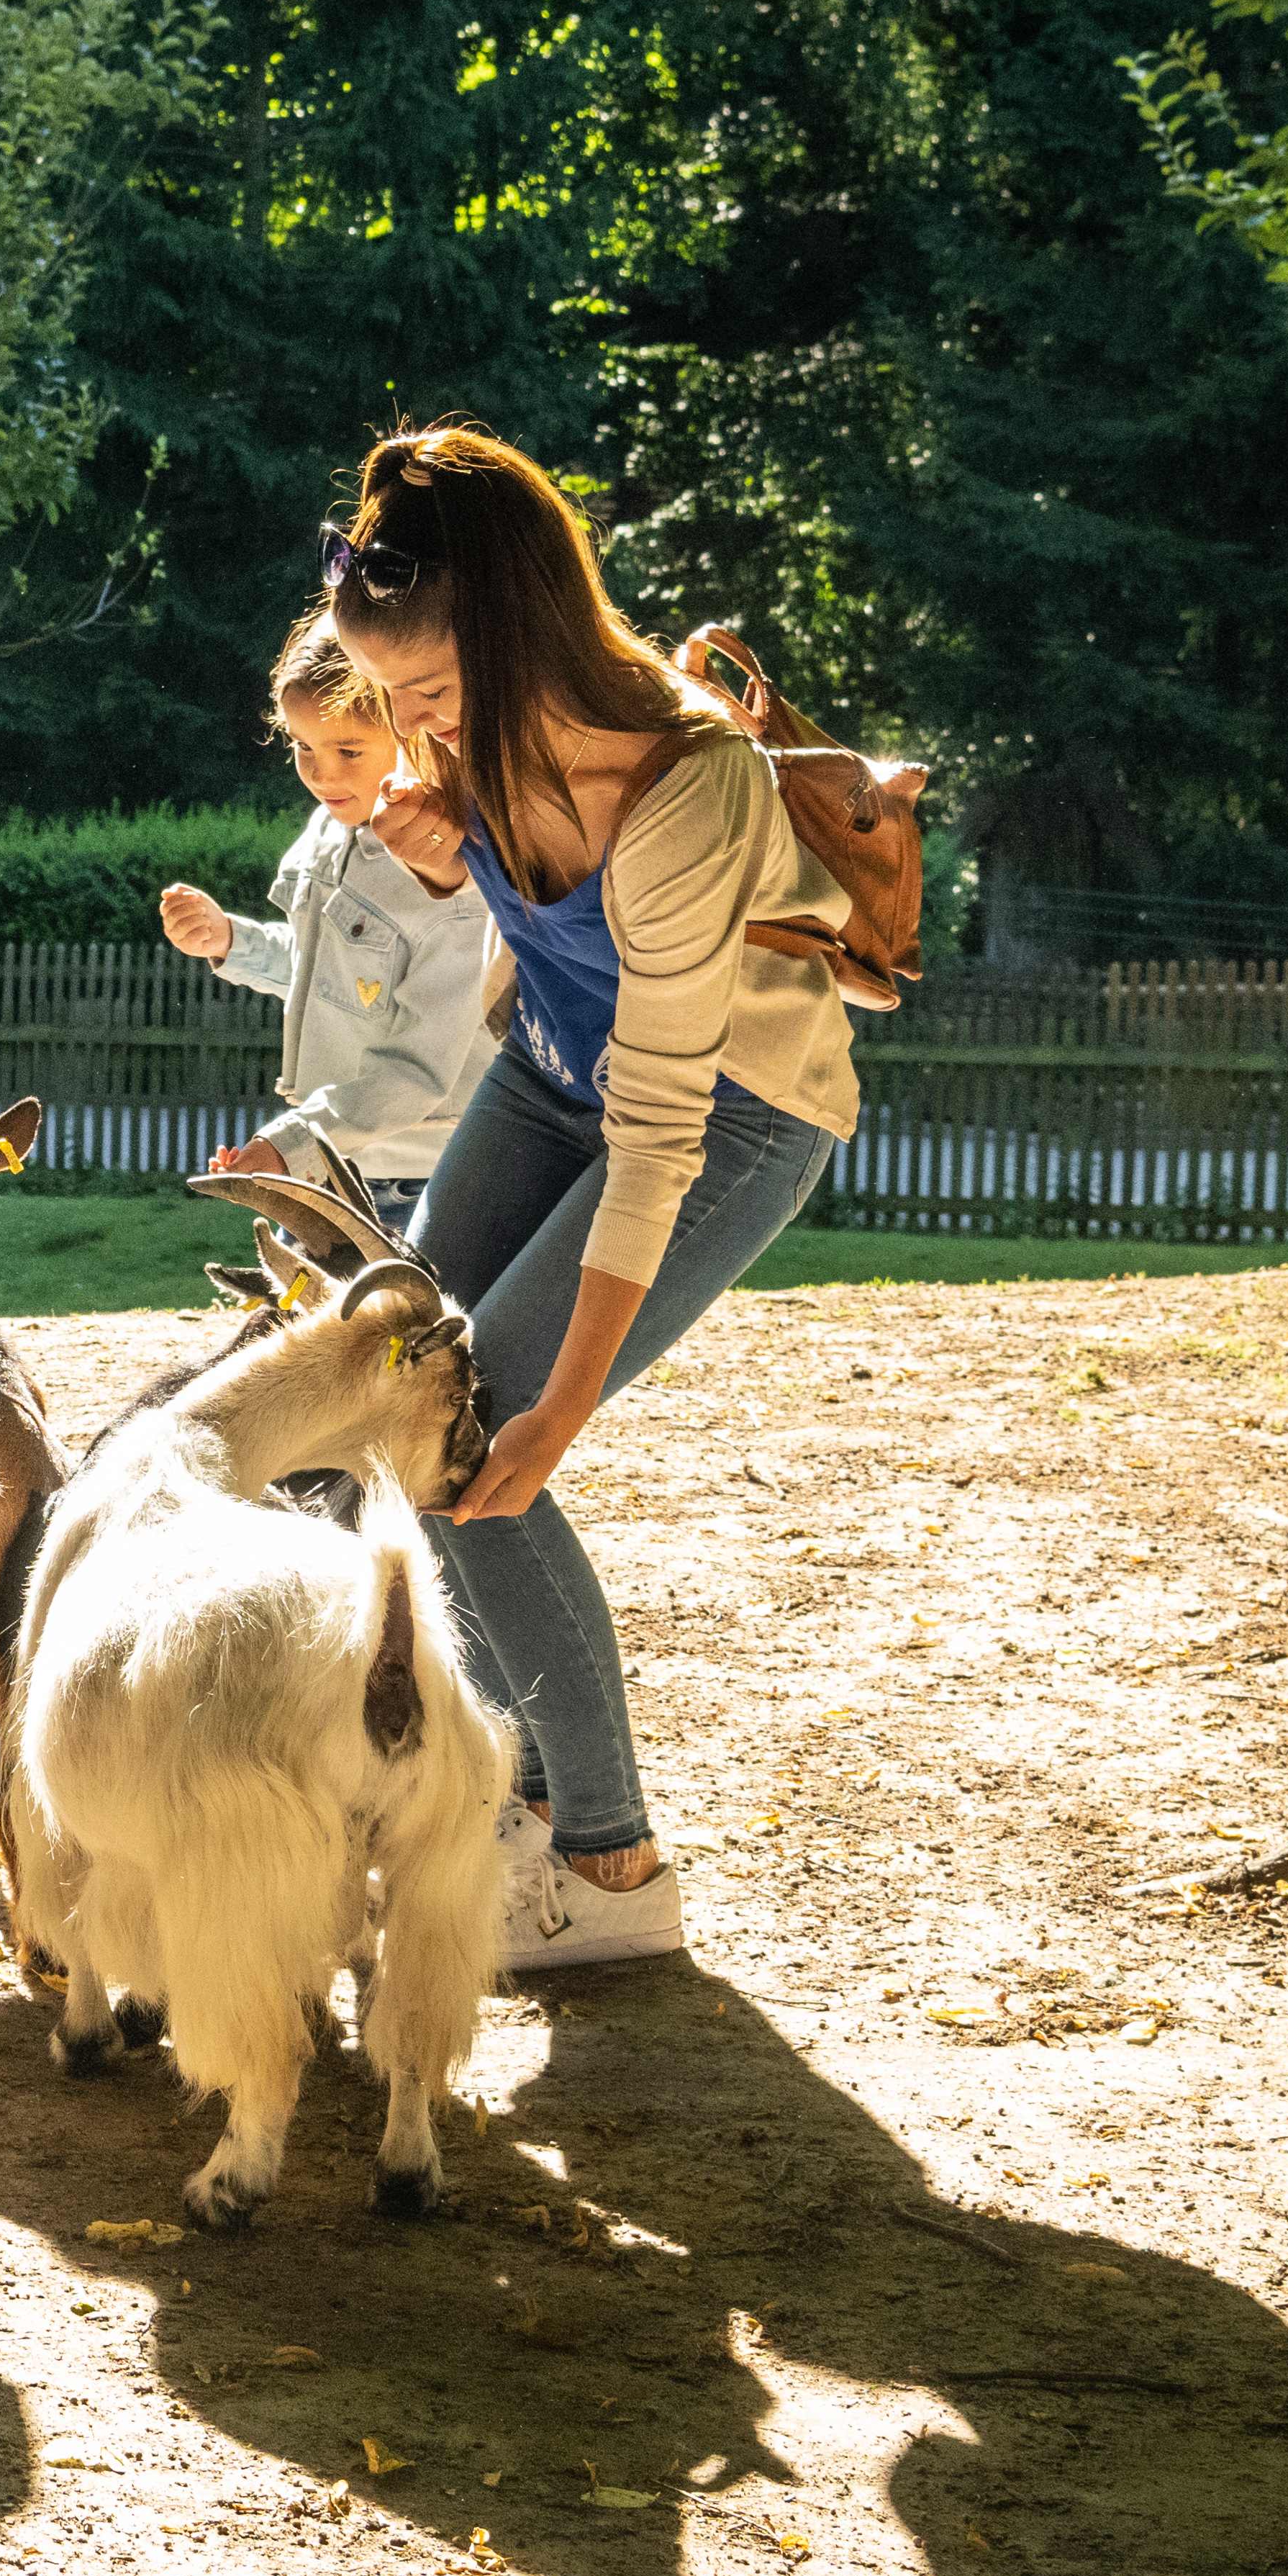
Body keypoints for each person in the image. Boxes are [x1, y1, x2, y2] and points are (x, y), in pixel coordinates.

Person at [314, 424, 863, 1979]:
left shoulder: (689, 783)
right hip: (556, 1069)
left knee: (477, 1437)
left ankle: (611, 1860)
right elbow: (508, 898)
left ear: (514, 634)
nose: (410, 730)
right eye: (393, 705)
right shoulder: (471, 730)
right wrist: (443, 835)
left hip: (724, 1118)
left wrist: (558, 1399)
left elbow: (663, 1128)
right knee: (394, 1384)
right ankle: (528, 1805)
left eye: (427, 697)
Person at [155, 608, 500, 1244]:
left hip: (419, 1179)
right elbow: (332, 974)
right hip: (331, 1169)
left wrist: (289, 1144)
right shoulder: (330, 830)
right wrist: (233, 941)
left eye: (348, 749)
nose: (321, 773)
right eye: (302, 746)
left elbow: (418, 1072)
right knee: (292, 1334)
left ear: (414, 731)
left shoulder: (454, 875)